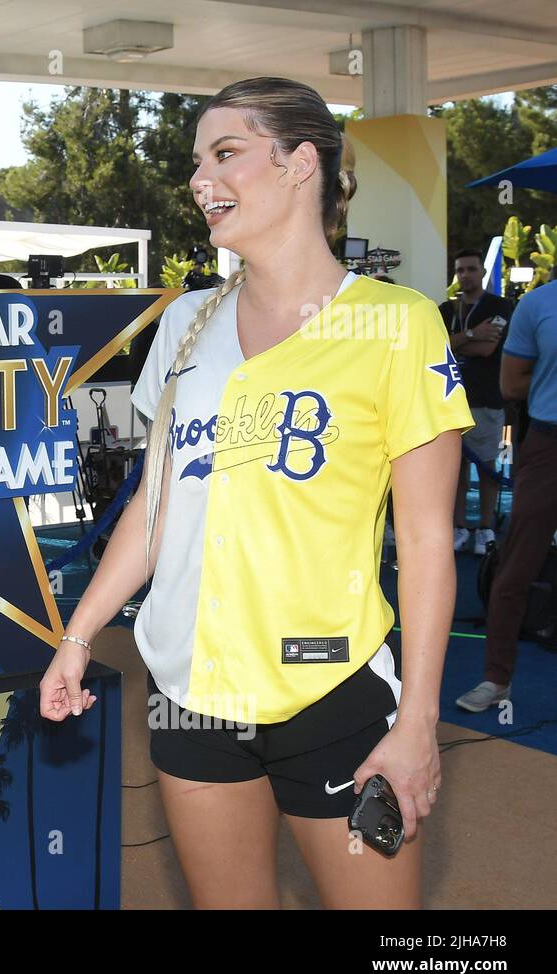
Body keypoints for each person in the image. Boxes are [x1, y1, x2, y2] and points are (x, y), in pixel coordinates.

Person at [40, 77, 473, 908]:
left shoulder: (396, 323)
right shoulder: (184, 323)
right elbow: (154, 507)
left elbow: (425, 542)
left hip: (331, 687)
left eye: (226, 154)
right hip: (189, 689)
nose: (202, 179)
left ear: (300, 163)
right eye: (197, 161)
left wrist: (419, 718)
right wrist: (81, 633)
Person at [456, 275, 557, 712]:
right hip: (548, 443)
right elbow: (511, 385)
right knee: (515, 569)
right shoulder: (538, 305)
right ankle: (497, 680)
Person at [439, 250, 512, 554]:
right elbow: (438, 345)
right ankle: (458, 526)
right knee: (453, 470)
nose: (465, 275)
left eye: (471, 269)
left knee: (485, 468)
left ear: (482, 272)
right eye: (460, 270)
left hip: (485, 400)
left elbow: (487, 349)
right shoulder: (445, 309)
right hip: (448, 399)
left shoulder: (500, 306)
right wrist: (471, 333)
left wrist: (458, 341)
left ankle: (484, 527)